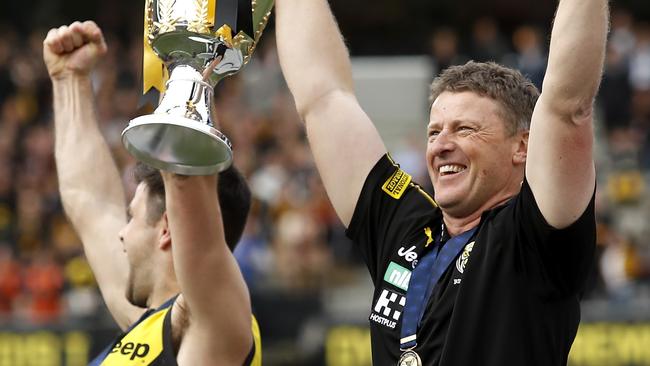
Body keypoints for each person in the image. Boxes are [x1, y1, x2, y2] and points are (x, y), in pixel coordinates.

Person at [274, 0, 607, 365]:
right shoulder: (405, 227)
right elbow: (323, 98)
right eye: (434, 132)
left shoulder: (534, 236)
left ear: (522, 146)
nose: (442, 145)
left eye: (465, 129)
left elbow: (568, 104)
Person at [43, 21, 261, 365]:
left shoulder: (213, 324)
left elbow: (190, 186)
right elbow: (90, 204)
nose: (121, 231)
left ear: (167, 228)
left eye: (132, 217)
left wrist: (189, 62)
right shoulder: (150, 326)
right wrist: (69, 80)